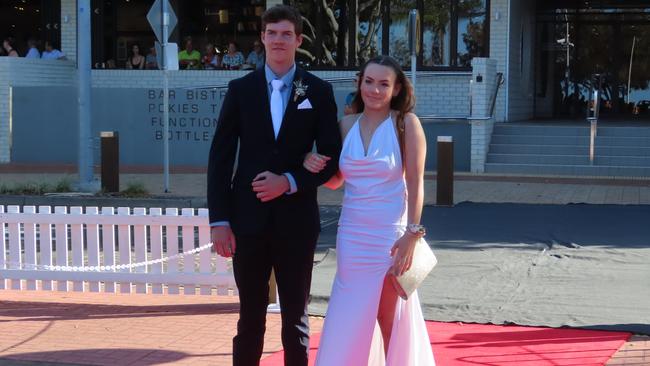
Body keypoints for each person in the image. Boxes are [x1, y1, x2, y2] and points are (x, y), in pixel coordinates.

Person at [207, 5, 341, 366]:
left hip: (297, 223)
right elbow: (220, 158)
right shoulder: (240, 90)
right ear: (262, 38)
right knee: (250, 317)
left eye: (286, 34)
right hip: (246, 222)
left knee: (296, 318)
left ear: (298, 40)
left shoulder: (318, 90)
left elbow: (332, 156)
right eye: (271, 33)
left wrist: (291, 181)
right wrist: (219, 220)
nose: (278, 40)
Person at [303, 55, 435, 365]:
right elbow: (336, 181)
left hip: (390, 239)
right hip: (351, 237)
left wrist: (411, 235)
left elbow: (416, 183)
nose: (374, 90)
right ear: (360, 83)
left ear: (397, 88)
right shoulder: (346, 125)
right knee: (351, 317)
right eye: (369, 82)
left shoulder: (407, 124)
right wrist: (308, 160)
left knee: (389, 319)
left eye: (383, 84)